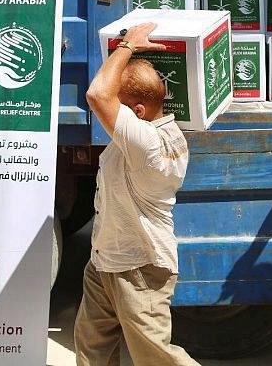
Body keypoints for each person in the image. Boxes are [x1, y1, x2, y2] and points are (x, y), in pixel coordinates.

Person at [74, 22, 198, 365]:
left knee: (157, 357)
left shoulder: (146, 144)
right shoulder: (157, 129)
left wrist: (127, 45)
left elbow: (98, 94)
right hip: (105, 261)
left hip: (138, 269)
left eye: (120, 105)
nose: (108, 114)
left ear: (138, 112)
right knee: (92, 351)